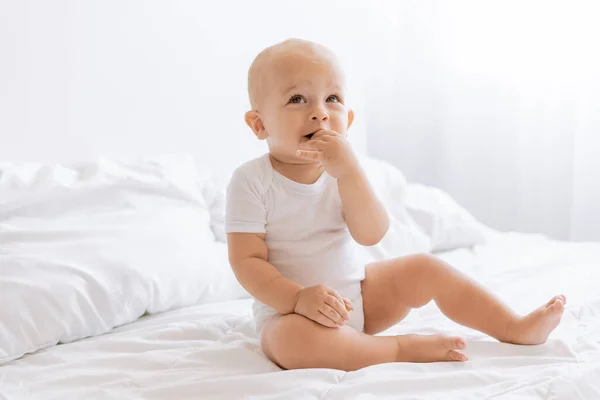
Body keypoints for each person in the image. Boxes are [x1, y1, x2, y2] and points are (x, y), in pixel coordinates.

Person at [225, 38, 566, 372]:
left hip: (357, 299)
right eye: (297, 98)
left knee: (425, 268)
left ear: (350, 119)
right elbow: (248, 262)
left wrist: (349, 172)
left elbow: (372, 234)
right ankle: (398, 349)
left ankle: (513, 326)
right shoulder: (252, 181)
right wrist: (298, 299)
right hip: (292, 315)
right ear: (259, 124)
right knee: (292, 342)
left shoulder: (344, 172)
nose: (320, 114)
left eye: (332, 98)